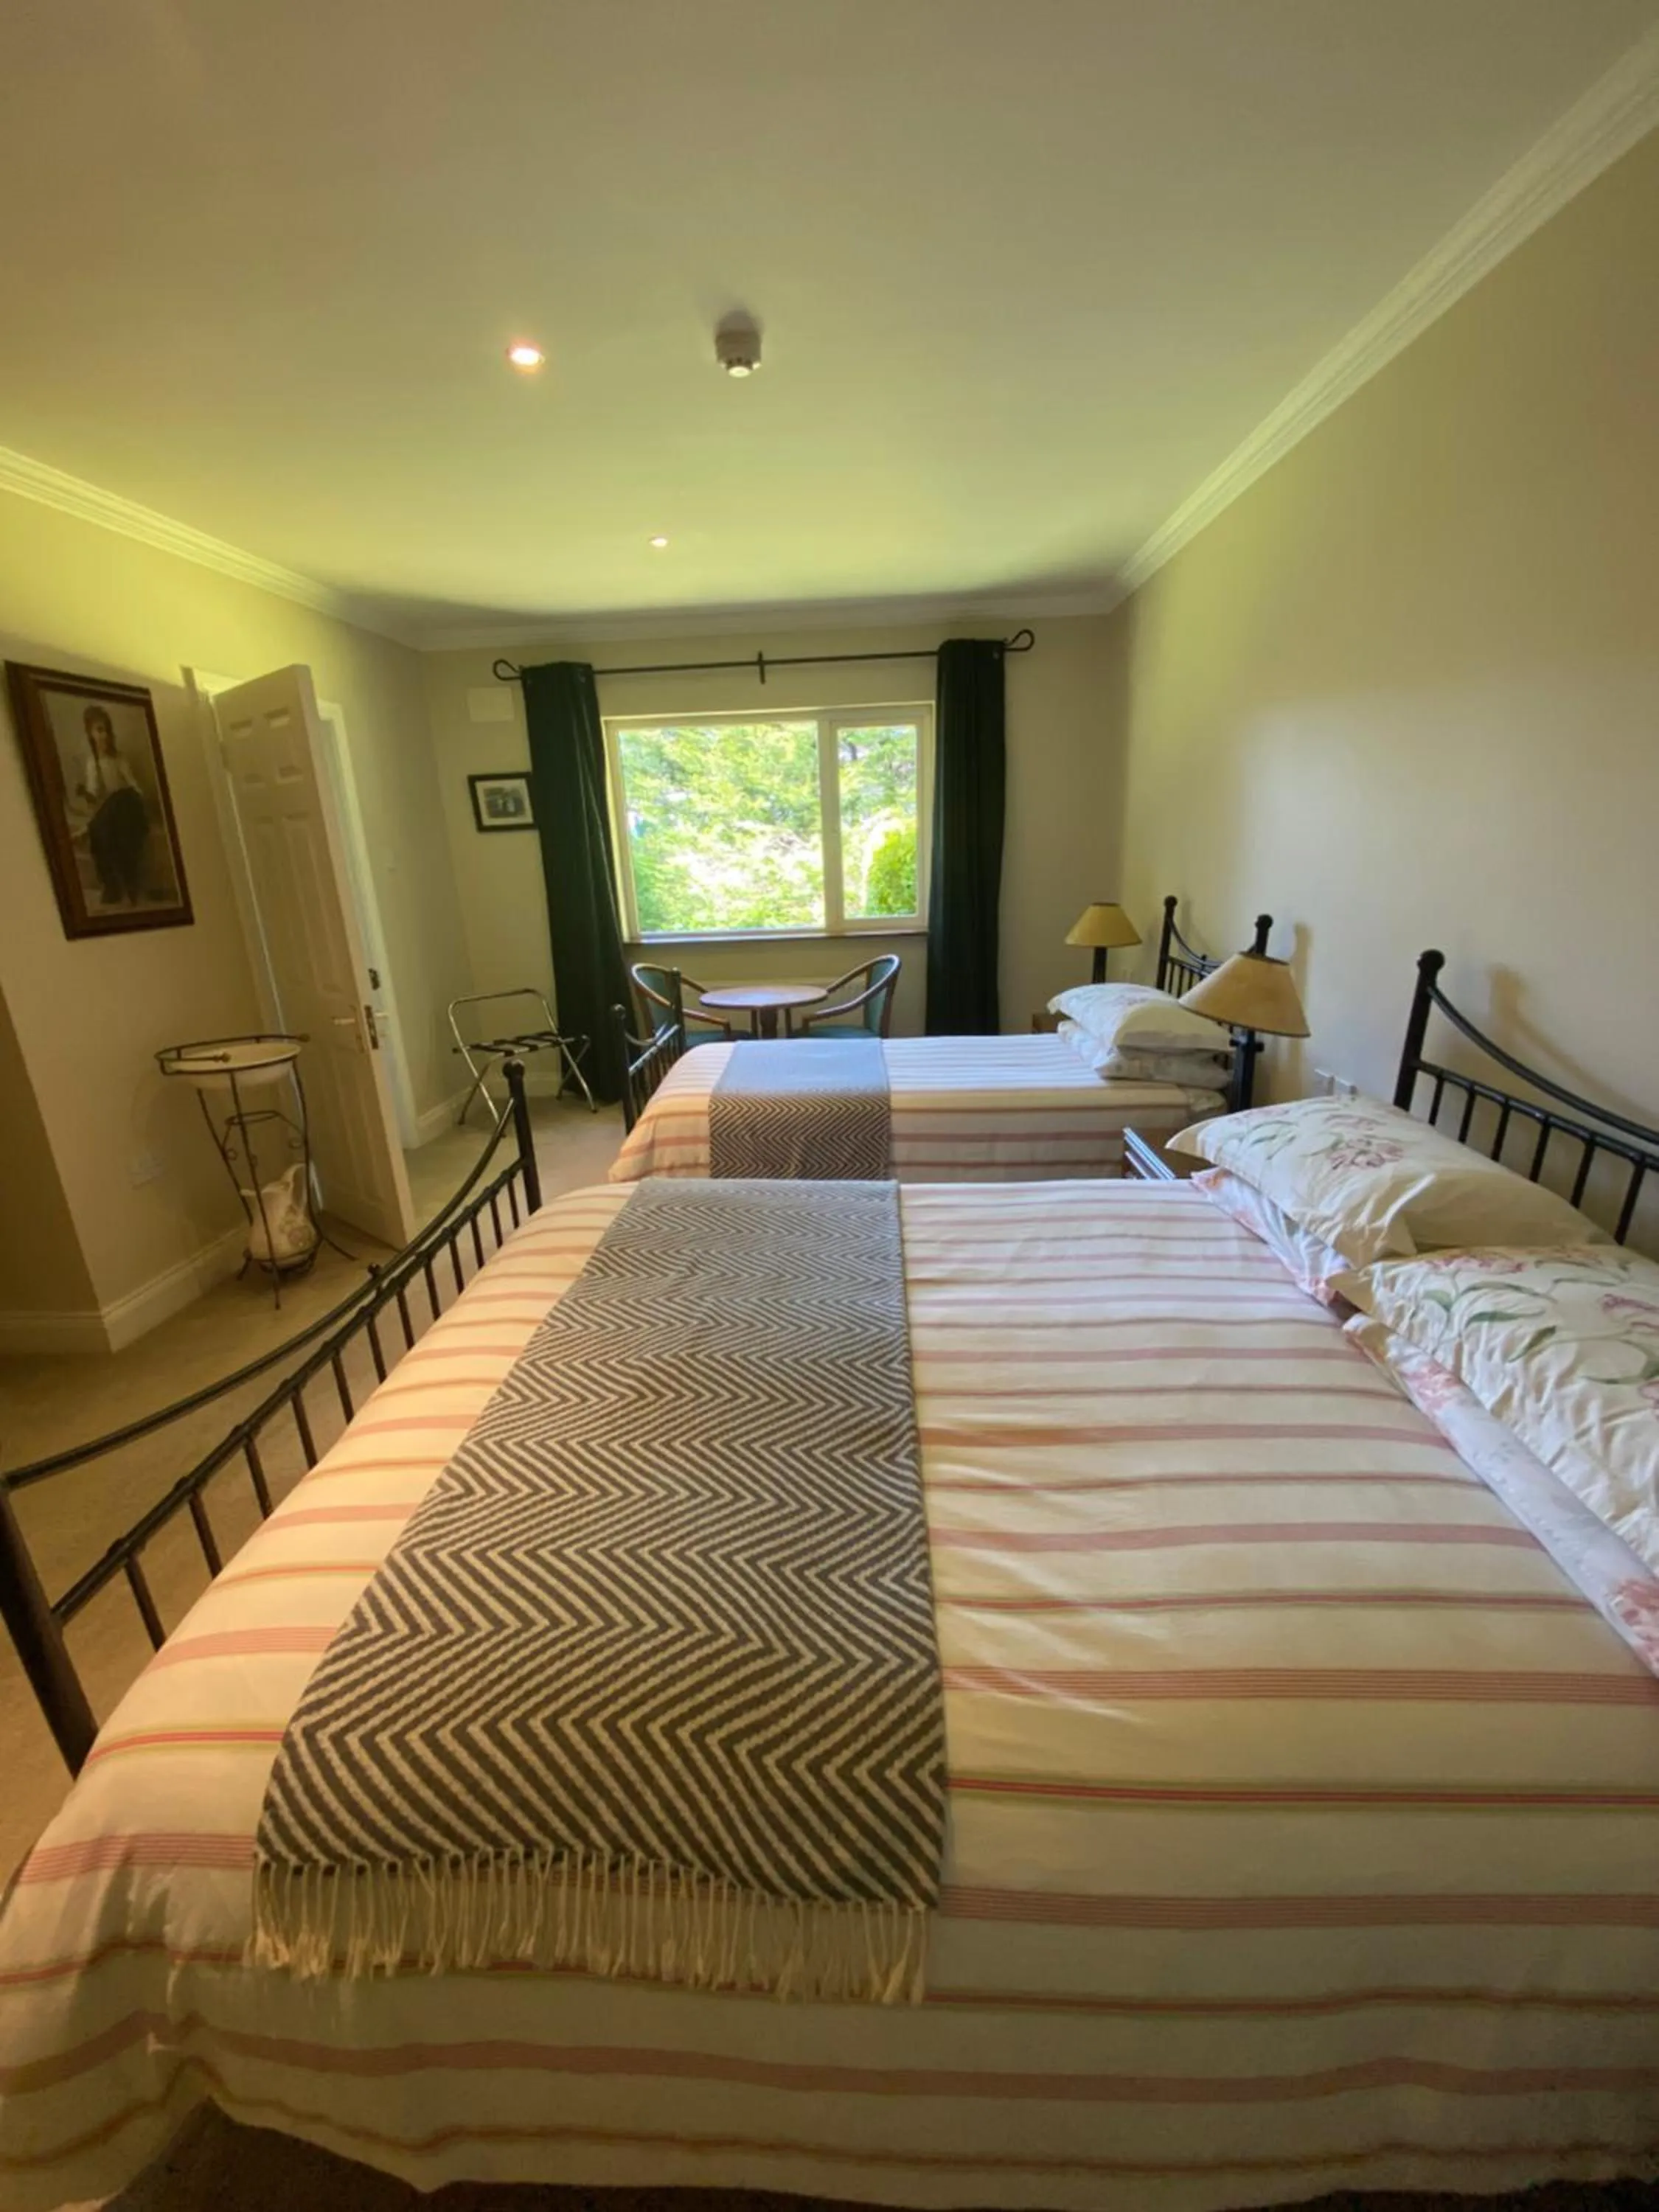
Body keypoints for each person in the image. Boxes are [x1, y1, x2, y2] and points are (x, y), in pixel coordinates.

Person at [75, 706, 150, 906]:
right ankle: (113, 887)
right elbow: (94, 795)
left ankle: (86, 830)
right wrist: (85, 794)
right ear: (91, 734)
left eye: (106, 730)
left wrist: (138, 796)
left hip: (129, 803)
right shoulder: (93, 763)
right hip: (113, 813)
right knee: (102, 830)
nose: (104, 735)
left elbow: (132, 784)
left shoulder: (119, 757)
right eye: (99, 730)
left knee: (118, 798)